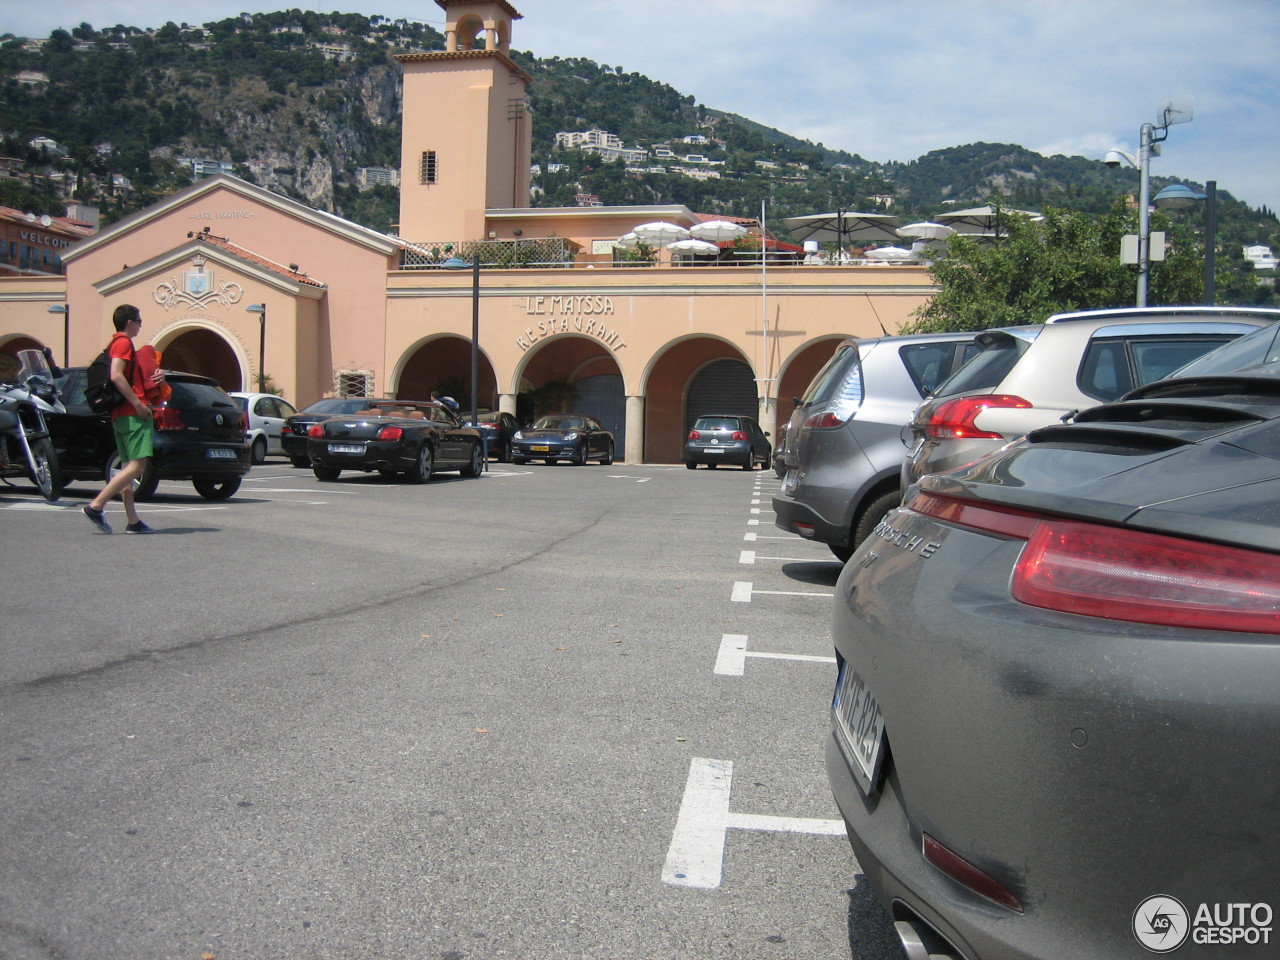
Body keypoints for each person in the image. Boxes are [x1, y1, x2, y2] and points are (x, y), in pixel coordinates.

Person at [82, 304, 163, 535]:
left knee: (127, 468)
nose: (140, 325)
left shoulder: (114, 344)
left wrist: (159, 374)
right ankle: (96, 506)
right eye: (138, 321)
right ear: (129, 323)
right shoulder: (124, 343)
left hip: (120, 414)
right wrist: (138, 404)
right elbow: (116, 374)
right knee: (138, 466)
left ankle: (133, 521)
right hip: (132, 413)